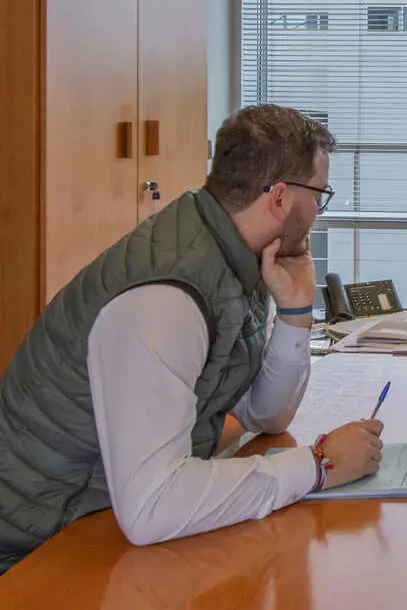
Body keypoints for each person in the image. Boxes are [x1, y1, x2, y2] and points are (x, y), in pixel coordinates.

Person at [0, 105, 384, 573]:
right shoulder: (167, 298)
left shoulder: (235, 257)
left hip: (102, 523)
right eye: (319, 195)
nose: (319, 213)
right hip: (39, 552)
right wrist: (318, 466)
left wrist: (296, 312)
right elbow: (152, 508)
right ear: (280, 198)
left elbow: (266, 414)